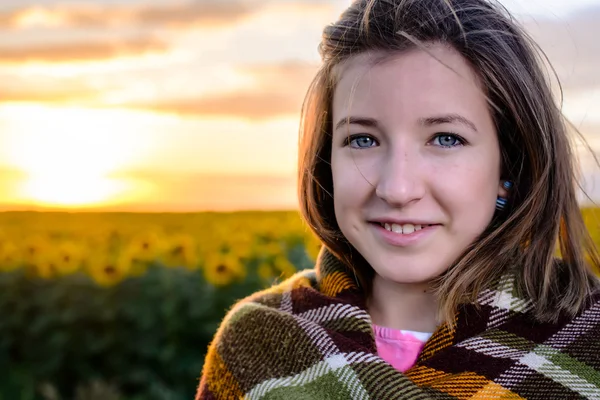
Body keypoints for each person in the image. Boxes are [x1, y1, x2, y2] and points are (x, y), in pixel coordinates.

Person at [196, 0, 600, 398]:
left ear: (508, 166)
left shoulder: (588, 340)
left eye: (446, 138)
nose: (397, 188)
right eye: (362, 140)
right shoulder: (256, 346)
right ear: (326, 162)